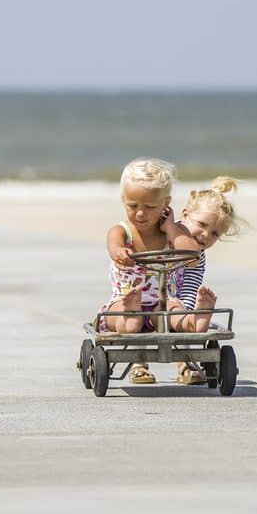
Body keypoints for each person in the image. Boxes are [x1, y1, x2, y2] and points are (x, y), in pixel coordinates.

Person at [98, 157, 200, 384]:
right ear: (124, 200)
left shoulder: (173, 231)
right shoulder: (122, 230)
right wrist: (119, 253)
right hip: (125, 298)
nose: (140, 214)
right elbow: (113, 245)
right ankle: (133, 335)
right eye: (132, 206)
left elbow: (193, 255)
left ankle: (195, 324)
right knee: (122, 317)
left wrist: (172, 227)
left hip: (162, 300)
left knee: (173, 312)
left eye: (150, 207)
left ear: (166, 204)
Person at [166, 176, 247, 384]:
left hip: (174, 303)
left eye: (214, 234)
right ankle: (140, 365)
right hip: (147, 296)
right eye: (201, 224)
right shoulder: (163, 235)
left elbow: (190, 287)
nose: (205, 235)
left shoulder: (198, 256)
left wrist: (189, 308)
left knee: (181, 313)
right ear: (185, 215)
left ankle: (188, 355)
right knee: (147, 310)